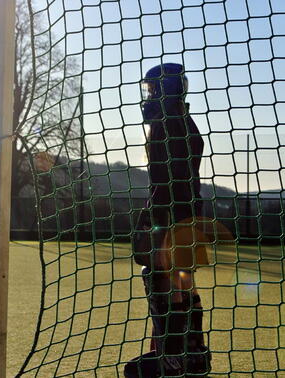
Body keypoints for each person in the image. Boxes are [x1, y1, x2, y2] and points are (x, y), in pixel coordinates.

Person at [125, 63, 211, 377]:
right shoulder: (181, 121)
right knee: (181, 284)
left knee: (166, 283)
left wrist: (157, 219)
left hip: (174, 216)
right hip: (185, 214)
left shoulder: (169, 123)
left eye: (151, 90)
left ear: (165, 90)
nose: (147, 97)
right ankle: (192, 355)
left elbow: (169, 183)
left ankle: (172, 358)